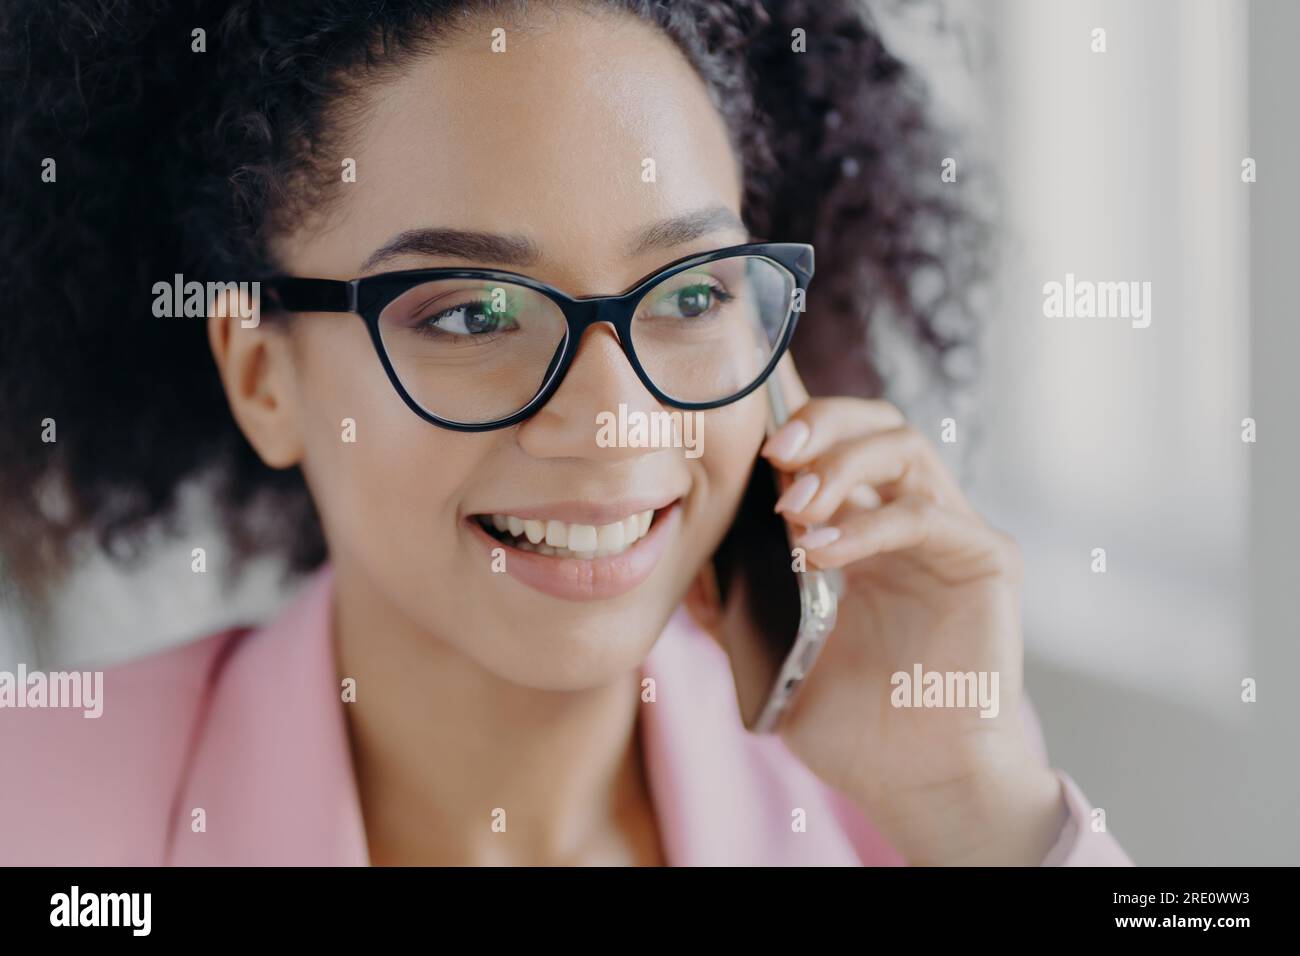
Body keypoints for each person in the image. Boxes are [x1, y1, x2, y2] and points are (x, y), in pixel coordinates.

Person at [0, 0, 1132, 866]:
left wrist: (977, 811)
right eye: (471, 311)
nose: (610, 420)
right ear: (263, 374)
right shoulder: (41, 806)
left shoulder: (910, 788)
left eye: (690, 294)